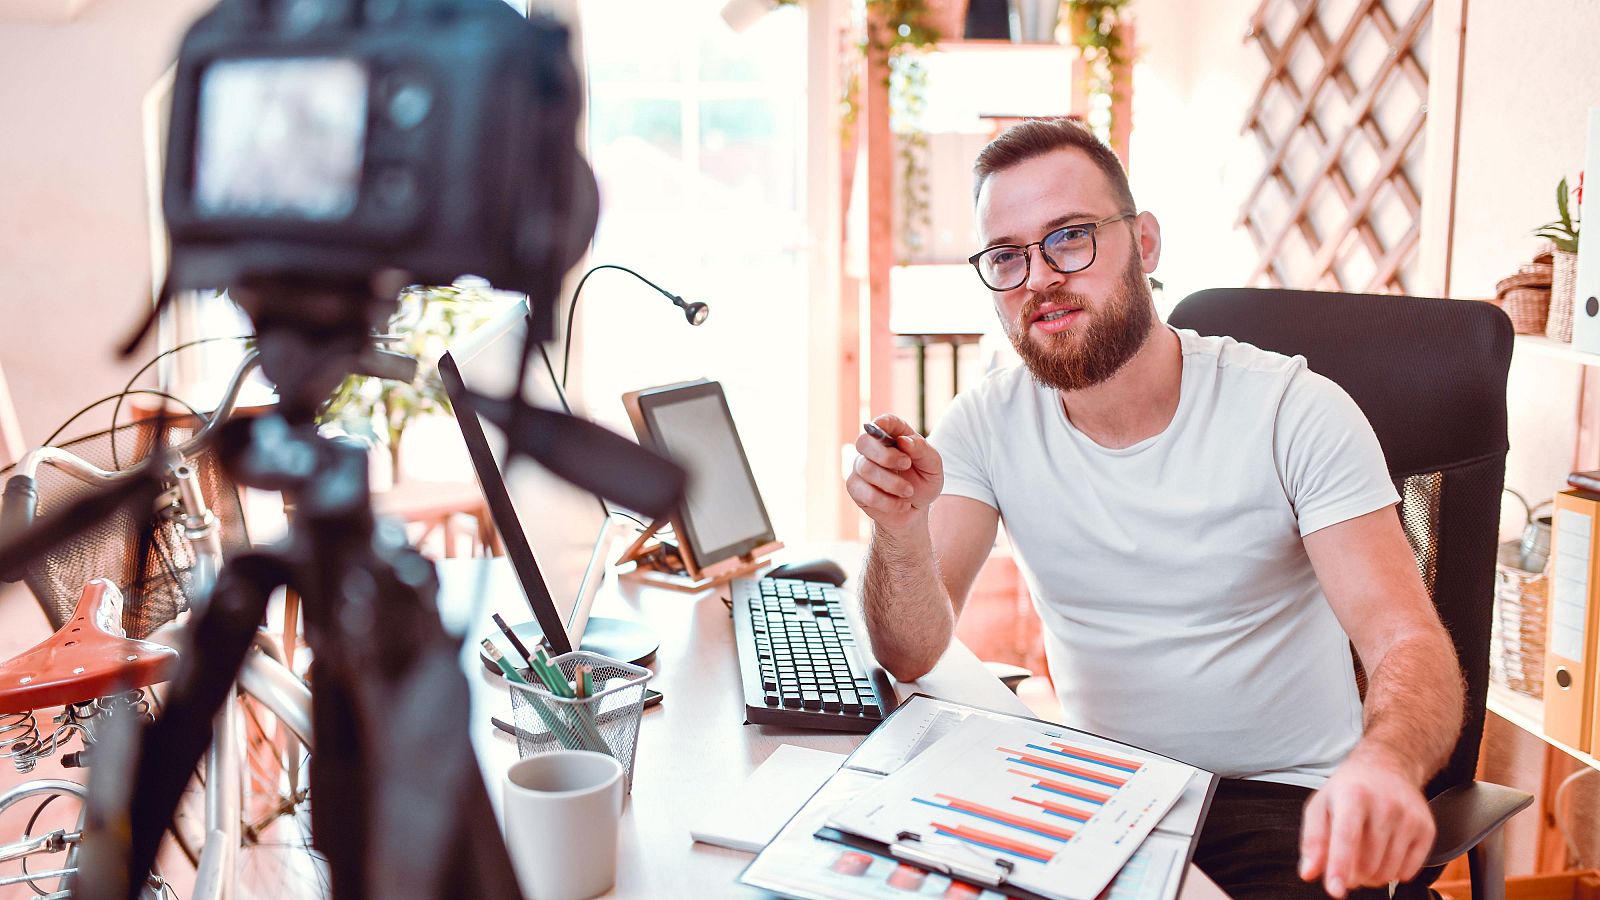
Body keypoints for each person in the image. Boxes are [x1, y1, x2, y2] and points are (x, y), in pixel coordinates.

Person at [846, 117, 1463, 900]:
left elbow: (1407, 639)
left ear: (1144, 241)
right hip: (1096, 801)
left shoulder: (1292, 410)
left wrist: (1384, 764)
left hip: (1281, 803)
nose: (1039, 277)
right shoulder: (985, 422)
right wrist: (896, 530)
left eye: (1070, 238)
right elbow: (909, 652)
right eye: (1007, 256)